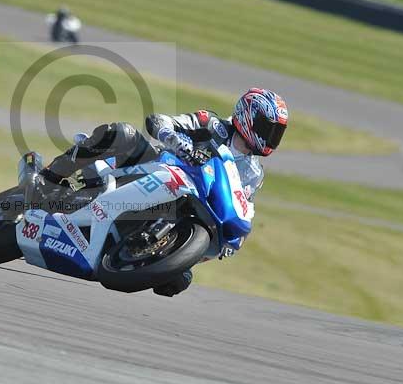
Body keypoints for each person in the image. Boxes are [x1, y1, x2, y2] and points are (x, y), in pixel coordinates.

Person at [37, 88, 289, 297]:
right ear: (248, 117)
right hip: (158, 166)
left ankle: (136, 250)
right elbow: (160, 121)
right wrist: (177, 141)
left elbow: (243, 204)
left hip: (191, 202)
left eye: (277, 132)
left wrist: (233, 241)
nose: (271, 137)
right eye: (268, 128)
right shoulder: (210, 124)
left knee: (177, 281)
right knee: (122, 134)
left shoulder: (254, 173)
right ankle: (48, 179)